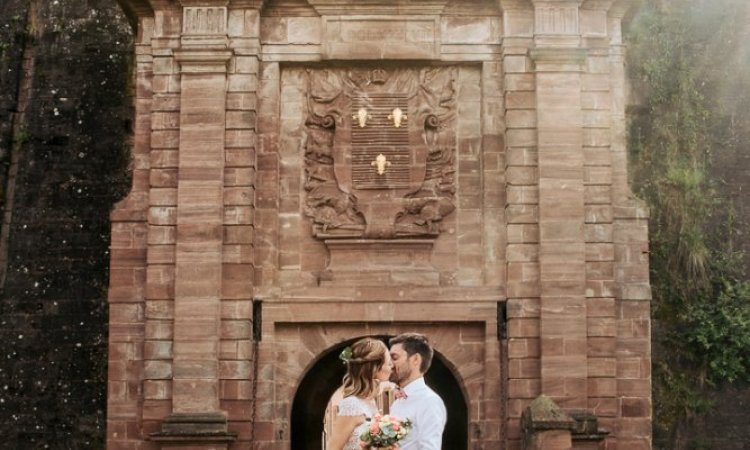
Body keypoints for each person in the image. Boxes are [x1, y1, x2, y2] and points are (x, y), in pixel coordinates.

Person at [328, 337, 394, 450]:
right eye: (388, 362)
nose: (391, 366)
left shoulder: (371, 402)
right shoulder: (351, 404)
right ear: (375, 367)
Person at [389, 333, 447, 450]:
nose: (389, 364)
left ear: (415, 359)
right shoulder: (396, 403)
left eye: (394, 358)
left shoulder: (430, 401)